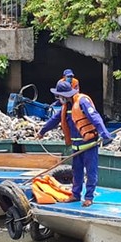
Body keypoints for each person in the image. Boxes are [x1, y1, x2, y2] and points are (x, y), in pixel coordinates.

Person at [36, 79, 112, 207]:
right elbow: (54, 120)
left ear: (66, 95)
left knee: (91, 172)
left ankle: (89, 197)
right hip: (76, 147)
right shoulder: (66, 107)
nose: (59, 98)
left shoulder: (82, 101)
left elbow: (95, 117)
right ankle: (75, 195)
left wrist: (105, 134)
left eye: (60, 95)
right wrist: (42, 132)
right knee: (76, 172)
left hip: (89, 145)